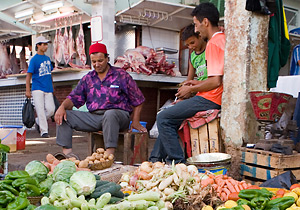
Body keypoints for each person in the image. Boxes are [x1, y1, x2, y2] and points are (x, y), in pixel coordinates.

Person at [149, 2, 225, 164]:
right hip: (209, 95)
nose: (196, 29)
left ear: (205, 22)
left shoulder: (213, 43)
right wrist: (193, 85)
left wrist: (190, 90)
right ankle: (155, 160)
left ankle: (178, 163)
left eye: (197, 25)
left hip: (210, 98)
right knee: (170, 119)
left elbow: (215, 81)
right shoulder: (222, 40)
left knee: (163, 117)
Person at [54, 42, 146, 156]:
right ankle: (68, 156)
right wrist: (62, 107)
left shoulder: (121, 75)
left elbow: (138, 99)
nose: (97, 64)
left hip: (118, 116)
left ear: (107, 58)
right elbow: (73, 98)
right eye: (94, 62)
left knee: (110, 114)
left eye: (100, 60)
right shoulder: (88, 78)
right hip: (95, 118)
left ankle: (109, 155)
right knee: (64, 116)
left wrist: (135, 121)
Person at [26, 36, 55, 138]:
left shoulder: (47, 59)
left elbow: (50, 73)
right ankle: (44, 131)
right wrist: (28, 90)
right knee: (40, 109)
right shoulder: (34, 60)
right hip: (37, 87)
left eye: (46, 44)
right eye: (44, 44)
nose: (46, 46)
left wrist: (52, 85)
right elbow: (28, 75)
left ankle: (38, 121)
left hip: (48, 87)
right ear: (38, 45)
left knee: (51, 110)